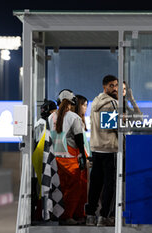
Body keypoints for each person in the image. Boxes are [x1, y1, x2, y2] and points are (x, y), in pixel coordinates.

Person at [48, 89, 87, 225]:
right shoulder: (73, 117)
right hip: (71, 159)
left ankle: (59, 214)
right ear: (73, 102)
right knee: (74, 189)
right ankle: (68, 216)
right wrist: (82, 155)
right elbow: (79, 138)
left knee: (60, 188)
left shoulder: (50, 117)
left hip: (56, 159)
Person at [85, 75, 118, 227]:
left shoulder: (95, 102)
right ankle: (103, 216)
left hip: (96, 148)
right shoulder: (112, 103)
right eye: (112, 85)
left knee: (95, 185)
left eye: (116, 85)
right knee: (109, 186)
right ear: (105, 87)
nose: (115, 88)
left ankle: (90, 214)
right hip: (109, 149)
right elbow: (112, 127)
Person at [33, 99, 63, 221]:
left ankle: (44, 213)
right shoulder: (44, 124)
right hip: (43, 159)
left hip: (39, 159)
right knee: (44, 187)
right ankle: (44, 214)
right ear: (51, 111)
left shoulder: (39, 122)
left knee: (42, 188)